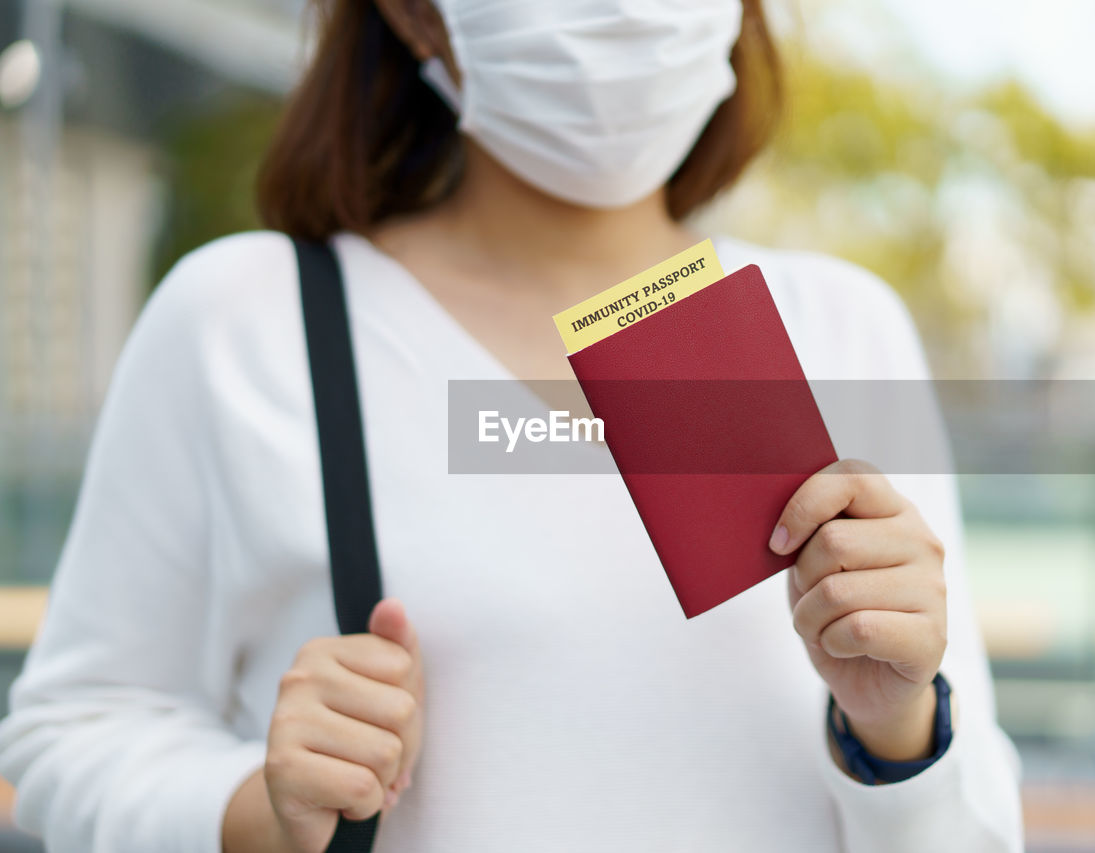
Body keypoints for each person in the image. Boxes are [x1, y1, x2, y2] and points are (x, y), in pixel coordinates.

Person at [0, 1, 1023, 851]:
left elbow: (980, 831)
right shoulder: (244, 320)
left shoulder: (841, 327)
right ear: (408, 16)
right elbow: (69, 734)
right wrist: (255, 809)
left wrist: (897, 727)